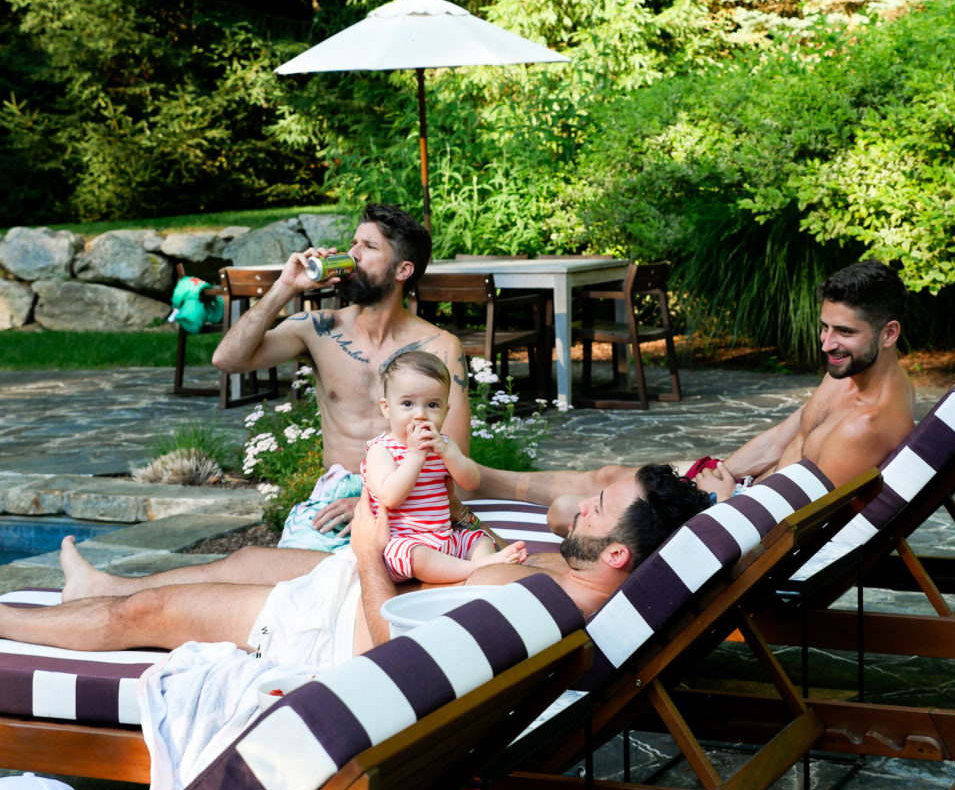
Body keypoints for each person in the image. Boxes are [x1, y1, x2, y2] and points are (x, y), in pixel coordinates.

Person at [2, 466, 712, 663]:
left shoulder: (524, 593)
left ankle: (16, 618)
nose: (582, 507)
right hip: (347, 595)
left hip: (331, 632)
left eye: (599, 508)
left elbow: (392, 649)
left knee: (146, 617)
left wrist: (372, 545)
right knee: (249, 552)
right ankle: (96, 584)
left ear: (619, 552)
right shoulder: (575, 574)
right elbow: (558, 514)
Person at [474, 259, 916, 530]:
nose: (826, 343)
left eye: (844, 332)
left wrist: (721, 502)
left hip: (738, 517)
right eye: (824, 326)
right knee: (610, 473)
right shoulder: (848, 373)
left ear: (889, 332)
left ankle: (481, 487)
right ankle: (478, 479)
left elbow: (800, 524)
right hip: (737, 491)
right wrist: (718, 473)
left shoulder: (867, 425)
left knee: (567, 512)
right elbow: (788, 435)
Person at [212, 203, 471, 552]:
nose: (352, 254)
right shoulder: (318, 329)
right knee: (294, 583)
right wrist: (286, 287)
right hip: (334, 503)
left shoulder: (440, 347)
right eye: (353, 243)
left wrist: (373, 502)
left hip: (411, 500)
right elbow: (226, 359)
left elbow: (453, 459)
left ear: (403, 269)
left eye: (368, 247)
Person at [364, 351, 525, 583]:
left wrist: (448, 453)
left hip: (445, 538)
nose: (420, 415)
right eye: (407, 404)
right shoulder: (382, 449)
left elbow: (471, 481)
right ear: (386, 408)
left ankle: (481, 569)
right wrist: (414, 457)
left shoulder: (444, 446)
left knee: (478, 539)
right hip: (403, 543)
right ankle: (477, 569)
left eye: (432, 405)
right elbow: (390, 497)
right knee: (417, 556)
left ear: (445, 411)